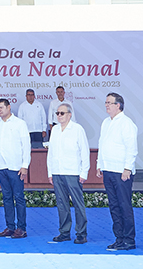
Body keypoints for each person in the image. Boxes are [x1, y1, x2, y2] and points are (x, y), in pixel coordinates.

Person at [96, 92, 137, 251]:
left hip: (121, 172)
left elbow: (131, 148)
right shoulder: (106, 122)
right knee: (114, 206)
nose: (106, 105)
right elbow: (102, 144)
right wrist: (100, 164)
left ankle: (129, 239)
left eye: (109, 103)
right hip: (108, 170)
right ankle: (119, 238)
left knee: (124, 205)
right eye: (105, 102)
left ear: (118, 105)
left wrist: (127, 168)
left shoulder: (126, 123)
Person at [46, 102, 88, 244]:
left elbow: (84, 151)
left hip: (73, 171)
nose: (58, 115)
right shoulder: (55, 130)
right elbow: (50, 153)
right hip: (57, 172)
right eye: (57, 113)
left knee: (78, 203)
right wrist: (50, 172)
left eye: (61, 113)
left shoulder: (77, 129)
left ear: (69, 115)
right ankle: (64, 232)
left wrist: (84, 172)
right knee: (62, 204)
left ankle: (81, 233)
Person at [0, 98, 31, 239]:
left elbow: (26, 145)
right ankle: (10, 227)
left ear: (9, 107)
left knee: (19, 197)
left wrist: (24, 166)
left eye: (1, 107)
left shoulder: (19, 123)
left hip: (15, 166)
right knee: (7, 198)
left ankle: (21, 228)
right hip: (1, 166)